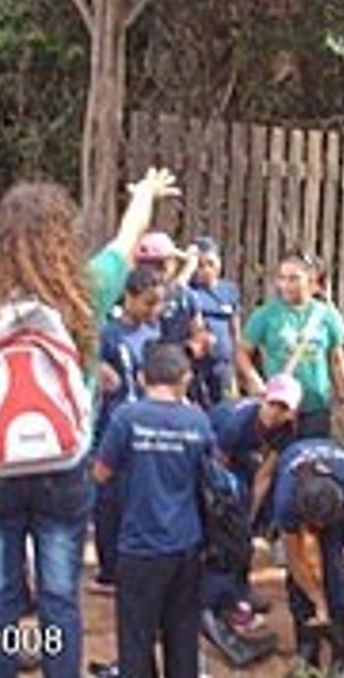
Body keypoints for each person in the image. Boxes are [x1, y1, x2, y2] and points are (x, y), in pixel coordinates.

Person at [0, 167, 180, 678]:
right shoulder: (86, 289)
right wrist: (145, 193)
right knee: (60, 596)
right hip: (65, 465)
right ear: (62, 234)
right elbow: (127, 241)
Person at [93, 343, 213, 678]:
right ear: (185, 379)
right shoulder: (197, 420)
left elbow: (101, 472)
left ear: (143, 378)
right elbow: (210, 474)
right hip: (185, 543)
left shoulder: (127, 418)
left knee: (136, 639)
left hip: (138, 544)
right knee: (182, 636)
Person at [201, 378, 301, 668]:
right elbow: (216, 474)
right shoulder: (236, 423)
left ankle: (239, 592)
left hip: (244, 459)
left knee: (242, 535)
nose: (276, 413)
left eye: (284, 408)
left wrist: (248, 517)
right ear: (264, 400)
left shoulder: (286, 430)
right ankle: (216, 602)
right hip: (215, 451)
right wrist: (222, 517)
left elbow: (265, 475)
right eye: (273, 404)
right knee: (221, 537)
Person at [273, 437, 344, 678]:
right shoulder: (286, 500)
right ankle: (307, 655)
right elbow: (295, 560)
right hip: (300, 488)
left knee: (334, 569)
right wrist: (317, 601)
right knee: (299, 587)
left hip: (335, 508)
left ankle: (340, 658)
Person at [91, 266, 166, 595]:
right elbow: (83, 362)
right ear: (130, 298)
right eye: (148, 303)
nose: (154, 310)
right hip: (113, 422)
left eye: (159, 304)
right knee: (109, 497)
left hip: (145, 423)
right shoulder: (109, 333)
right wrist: (98, 369)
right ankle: (109, 569)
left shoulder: (153, 333)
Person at [239, 252, 344, 438]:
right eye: (282, 278)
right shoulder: (266, 314)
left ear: (311, 281)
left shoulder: (326, 315)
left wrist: (343, 400)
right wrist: (254, 379)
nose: (286, 285)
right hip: (279, 408)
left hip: (316, 406)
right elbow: (243, 352)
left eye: (294, 279)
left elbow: (337, 360)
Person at [135, 233, 213, 403]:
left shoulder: (185, 297)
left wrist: (193, 347)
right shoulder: (131, 295)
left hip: (163, 378)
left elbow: (200, 335)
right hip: (148, 378)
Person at [190, 236, 242, 407]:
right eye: (199, 265)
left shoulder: (229, 290)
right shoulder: (188, 292)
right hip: (196, 366)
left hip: (224, 365)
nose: (205, 269)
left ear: (219, 263)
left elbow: (235, 328)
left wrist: (237, 361)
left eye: (210, 263)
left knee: (229, 408)